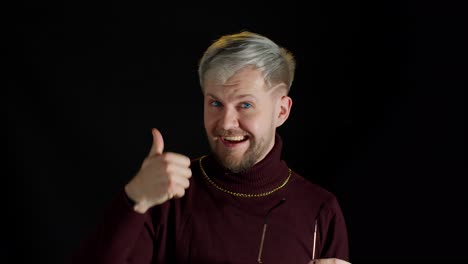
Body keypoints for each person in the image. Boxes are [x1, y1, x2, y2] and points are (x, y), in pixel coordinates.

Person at [70, 31, 350, 264]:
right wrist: (133, 200)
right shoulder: (168, 194)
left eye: (245, 105)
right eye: (215, 103)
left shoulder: (320, 210)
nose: (227, 123)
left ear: (281, 111)